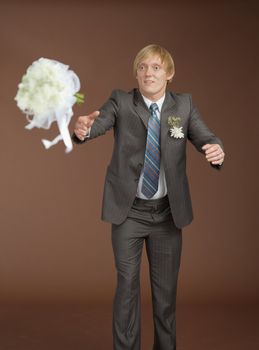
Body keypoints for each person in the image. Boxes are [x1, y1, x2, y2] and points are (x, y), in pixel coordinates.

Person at [72, 44, 225, 350]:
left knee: (165, 295)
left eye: (155, 67)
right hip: (128, 212)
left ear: (169, 74)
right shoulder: (121, 101)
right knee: (127, 288)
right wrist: (82, 130)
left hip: (168, 214)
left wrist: (216, 149)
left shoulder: (183, 106)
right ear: (136, 74)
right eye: (142, 67)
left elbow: (206, 137)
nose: (148, 73)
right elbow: (97, 124)